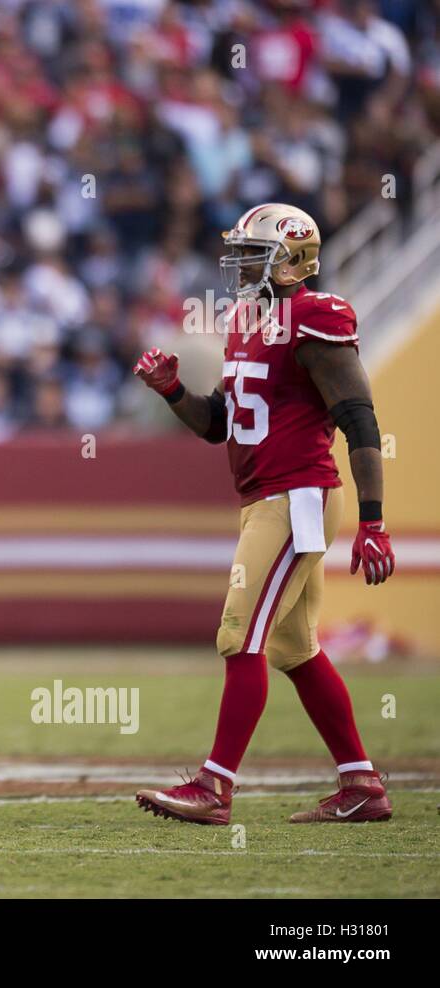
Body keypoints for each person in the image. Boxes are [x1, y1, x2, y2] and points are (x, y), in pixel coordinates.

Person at [132, 203, 395, 825]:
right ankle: (362, 784)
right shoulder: (248, 319)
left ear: (289, 259)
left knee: (238, 635)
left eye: (253, 253)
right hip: (264, 499)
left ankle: (214, 786)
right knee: (293, 646)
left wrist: (375, 520)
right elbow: (220, 423)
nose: (241, 265)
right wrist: (173, 391)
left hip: (296, 495)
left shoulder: (315, 316)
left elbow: (359, 417)